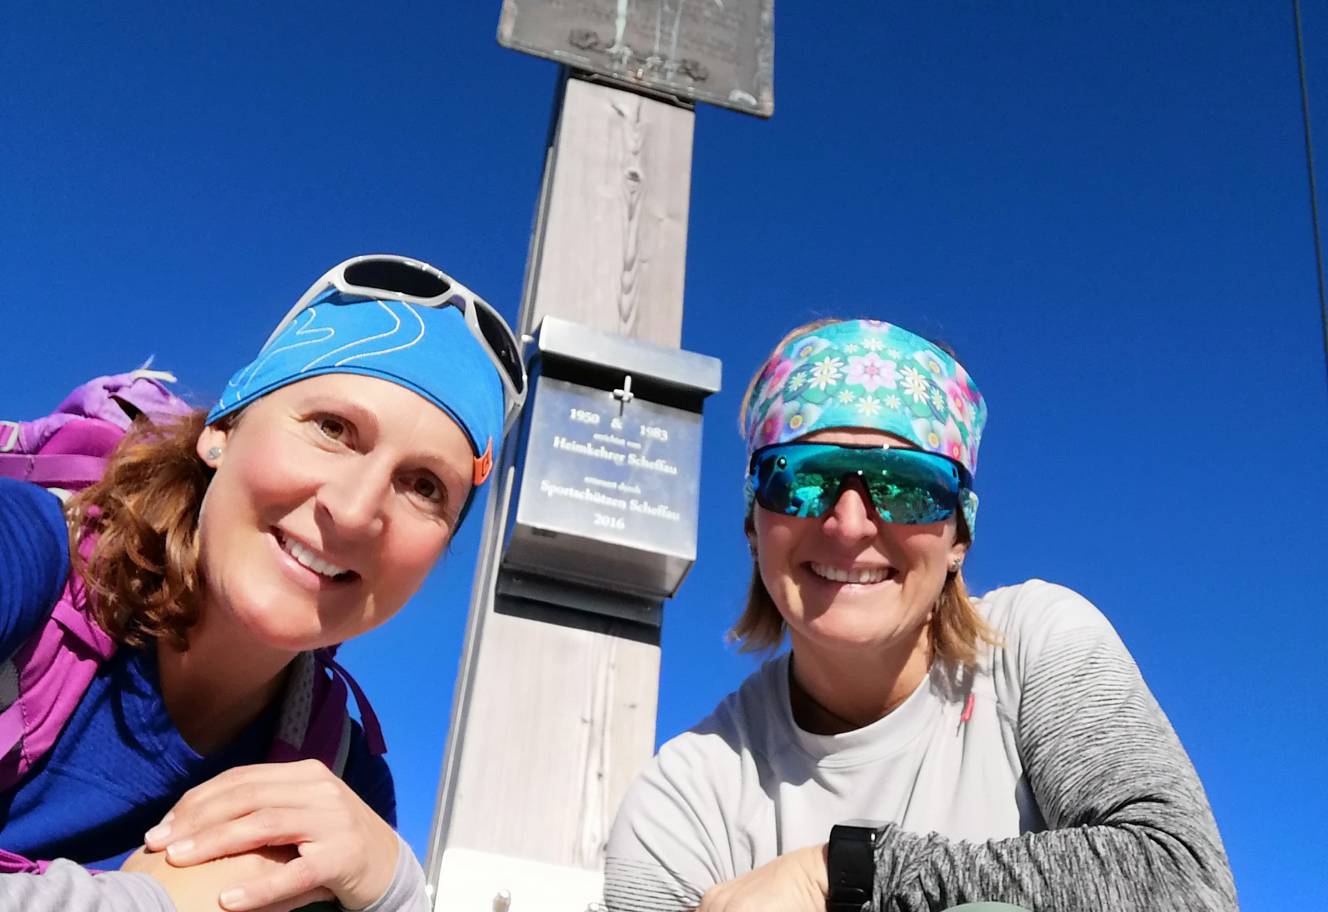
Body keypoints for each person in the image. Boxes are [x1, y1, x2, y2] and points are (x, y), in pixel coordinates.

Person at [604, 318, 1237, 911]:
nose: (849, 525)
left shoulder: (1038, 647)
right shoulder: (683, 804)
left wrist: (844, 872)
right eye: (799, 478)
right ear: (754, 523)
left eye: (905, 484)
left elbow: (1184, 881)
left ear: (958, 536)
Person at [0, 254, 525, 911]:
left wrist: (395, 889)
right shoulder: (21, 553)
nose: (358, 511)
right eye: (333, 429)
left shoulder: (339, 781)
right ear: (222, 430)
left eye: (424, 487)